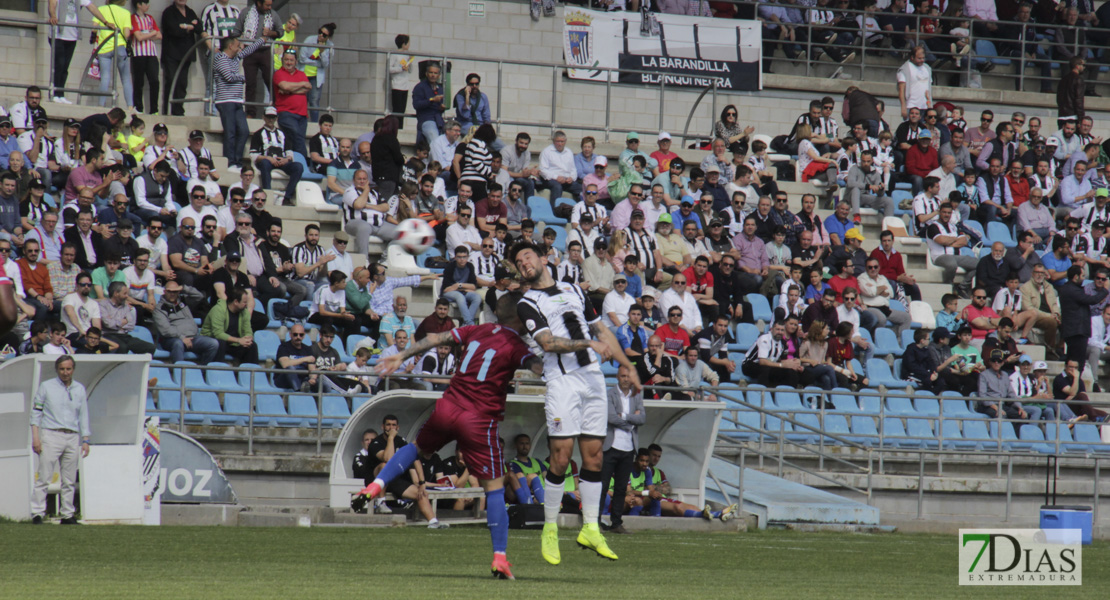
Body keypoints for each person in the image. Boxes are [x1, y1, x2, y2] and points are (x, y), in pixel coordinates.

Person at [358, 293, 543, 579]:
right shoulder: (516, 344)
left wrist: (401, 355)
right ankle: (500, 557)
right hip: (479, 419)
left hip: (448, 405)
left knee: (418, 448)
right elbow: (538, 368)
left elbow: (434, 338)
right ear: (521, 318)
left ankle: (375, 485)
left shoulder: (476, 329)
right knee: (494, 489)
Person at [510, 239, 641, 565]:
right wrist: (590, 344)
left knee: (594, 457)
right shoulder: (527, 302)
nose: (524, 263)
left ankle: (591, 529)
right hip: (563, 382)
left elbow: (602, 330)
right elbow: (548, 342)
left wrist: (628, 366)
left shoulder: (574, 289)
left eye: (527, 256)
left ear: (542, 258)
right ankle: (550, 528)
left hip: (594, 381)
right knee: (561, 455)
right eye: (518, 262)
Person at [30, 355, 89, 525]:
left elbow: (83, 414)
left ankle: (67, 514)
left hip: (72, 435)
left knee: (69, 479)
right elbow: (36, 413)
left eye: (68, 369)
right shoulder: (46, 386)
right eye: (62, 369)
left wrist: (85, 439)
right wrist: (36, 437)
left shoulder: (79, 388)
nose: (65, 372)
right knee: (44, 476)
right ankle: (37, 512)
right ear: (57, 369)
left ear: (73, 369)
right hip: (51, 434)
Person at [213, 32, 268, 167]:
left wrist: (261, 40)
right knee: (230, 132)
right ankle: (230, 162)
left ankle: (237, 161)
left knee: (243, 131)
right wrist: (244, 78)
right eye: (237, 46)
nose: (239, 48)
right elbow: (229, 77)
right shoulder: (220, 58)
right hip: (225, 101)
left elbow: (248, 50)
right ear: (230, 46)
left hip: (237, 101)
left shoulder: (235, 58)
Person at [152, 280, 218, 364]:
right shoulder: (159, 309)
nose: (172, 294)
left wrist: (184, 287)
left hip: (193, 338)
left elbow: (200, 296)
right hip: (172, 339)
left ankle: (202, 371)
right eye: (169, 291)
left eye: (175, 291)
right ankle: (179, 373)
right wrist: (182, 337)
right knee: (178, 343)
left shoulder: (184, 300)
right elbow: (165, 330)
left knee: (213, 343)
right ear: (164, 292)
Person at [250, 106, 303, 206]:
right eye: (268, 117)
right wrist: (268, 158)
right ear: (263, 117)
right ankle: (267, 195)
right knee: (265, 164)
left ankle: (287, 198)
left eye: (273, 117)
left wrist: (286, 159)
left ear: (276, 118)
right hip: (267, 161)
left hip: (281, 161)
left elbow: (289, 152)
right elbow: (253, 155)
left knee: (298, 166)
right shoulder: (258, 134)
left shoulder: (282, 133)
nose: (270, 119)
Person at [1059, 264, 1110, 368]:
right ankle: (1073, 381)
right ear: (1076, 277)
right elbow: (1092, 300)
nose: (1084, 279)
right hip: (1076, 331)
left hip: (1075, 330)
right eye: (1082, 276)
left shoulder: (1070, 288)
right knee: (1076, 362)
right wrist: (1105, 289)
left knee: (1074, 360)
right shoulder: (1072, 290)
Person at [160, 0, 199, 116]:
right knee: (171, 81)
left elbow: (199, 27)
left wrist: (185, 26)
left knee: (182, 84)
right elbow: (174, 30)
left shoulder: (190, 12)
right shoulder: (169, 12)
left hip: (186, 54)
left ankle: (178, 110)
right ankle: (167, 110)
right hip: (172, 53)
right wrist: (191, 26)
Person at [200, 286, 257, 363]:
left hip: (233, 343)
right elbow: (218, 334)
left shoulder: (244, 312)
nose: (246, 305)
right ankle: (217, 371)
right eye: (244, 302)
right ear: (236, 302)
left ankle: (249, 373)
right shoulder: (218, 310)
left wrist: (248, 338)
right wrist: (238, 340)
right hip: (213, 340)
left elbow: (248, 329)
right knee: (221, 343)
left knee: (252, 346)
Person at [272, 50, 311, 158]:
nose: (289, 62)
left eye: (291, 60)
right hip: (286, 113)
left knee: (299, 140)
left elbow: (308, 88)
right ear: (282, 60)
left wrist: (290, 90)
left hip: (302, 115)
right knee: (297, 136)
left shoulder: (302, 74)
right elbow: (285, 86)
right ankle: (305, 164)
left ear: (296, 62)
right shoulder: (279, 73)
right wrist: (301, 84)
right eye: (286, 60)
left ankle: (295, 164)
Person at [742, 320, 802, 387]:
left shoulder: (783, 343)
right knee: (765, 370)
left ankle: (788, 393)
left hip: (770, 365)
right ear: (772, 329)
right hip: (750, 364)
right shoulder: (764, 339)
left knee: (791, 372)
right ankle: (764, 393)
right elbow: (762, 362)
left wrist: (794, 364)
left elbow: (783, 360)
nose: (780, 332)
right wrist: (782, 365)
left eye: (782, 330)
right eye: (777, 329)